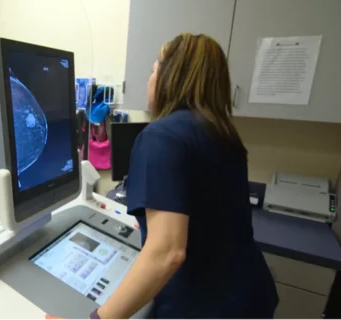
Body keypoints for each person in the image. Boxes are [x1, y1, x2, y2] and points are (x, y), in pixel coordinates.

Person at [46, 33, 278, 320]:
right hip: (250, 295)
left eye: (153, 71)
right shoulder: (223, 134)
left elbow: (168, 252)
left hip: (207, 307)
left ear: (171, 78)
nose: (149, 80)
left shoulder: (161, 137)